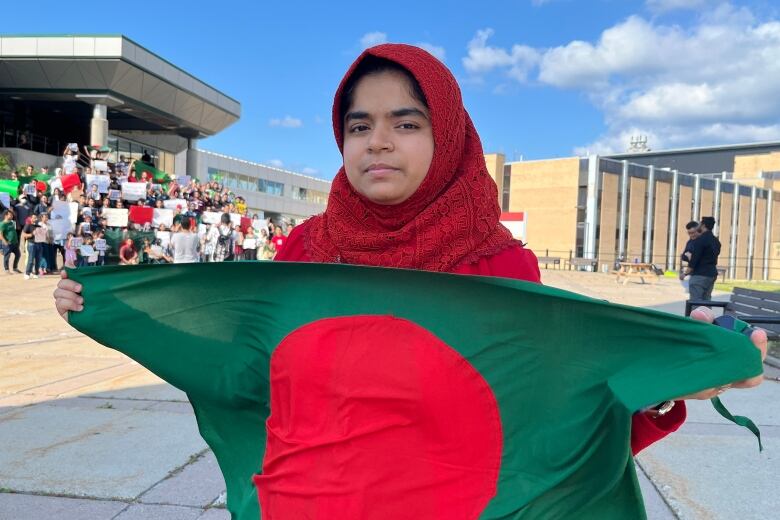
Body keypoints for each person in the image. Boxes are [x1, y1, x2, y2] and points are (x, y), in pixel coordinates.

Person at [53, 43, 767, 510]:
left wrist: (676, 370)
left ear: (447, 133)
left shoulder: (498, 263)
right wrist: (124, 313)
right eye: (360, 126)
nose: (379, 142)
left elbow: (551, 408)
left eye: (407, 122)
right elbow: (247, 374)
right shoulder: (306, 249)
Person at [685, 216, 721, 301]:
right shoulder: (716, 241)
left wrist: (686, 273)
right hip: (712, 274)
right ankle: (707, 314)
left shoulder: (700, 240)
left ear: (703, 225)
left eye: (700, 223)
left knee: (695, 302)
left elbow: (695, 258)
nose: (699, 225)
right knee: (707, 301)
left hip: (699, 274)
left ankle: (696, 315)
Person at [0, 209, 22, 274]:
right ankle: (6, 269)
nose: (12, 216)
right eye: (10, 215)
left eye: (12, 215)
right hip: (8, 243)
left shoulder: (12, 222)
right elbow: (0, 235)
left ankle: (15, 268)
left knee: (18, 255)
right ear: (6, 216)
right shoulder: (2, 224)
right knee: (7, 256)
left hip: (14, 243)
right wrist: (5, 242)